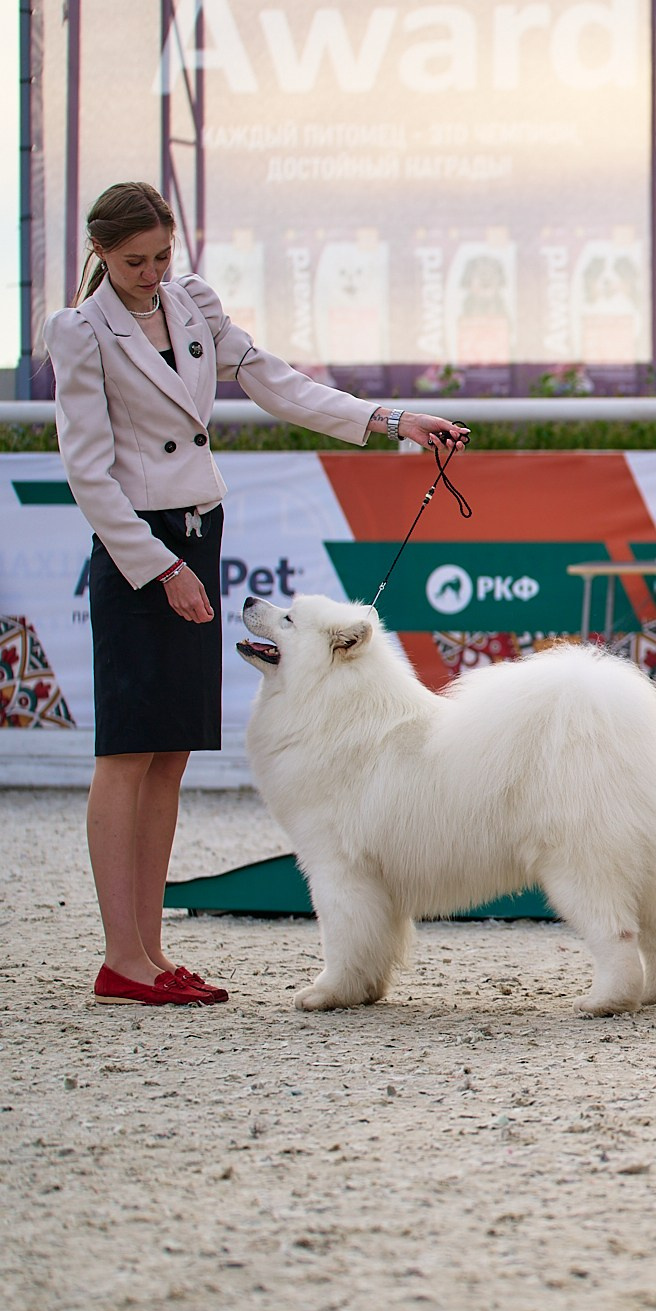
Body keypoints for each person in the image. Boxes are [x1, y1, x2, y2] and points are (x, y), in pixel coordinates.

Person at [50, 182, 471, 1006]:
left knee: (169, 752)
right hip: (138, 549)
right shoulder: (78, 332)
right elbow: (87, 470)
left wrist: (392, 421)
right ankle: (120, 957)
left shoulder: (193, 304)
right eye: (134, 261)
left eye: (162, 256)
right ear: (101, 253)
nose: (151, 273)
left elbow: (279, 384)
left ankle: (150, 950)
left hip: (198, 535)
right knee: (126, 752)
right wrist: (157, 566)